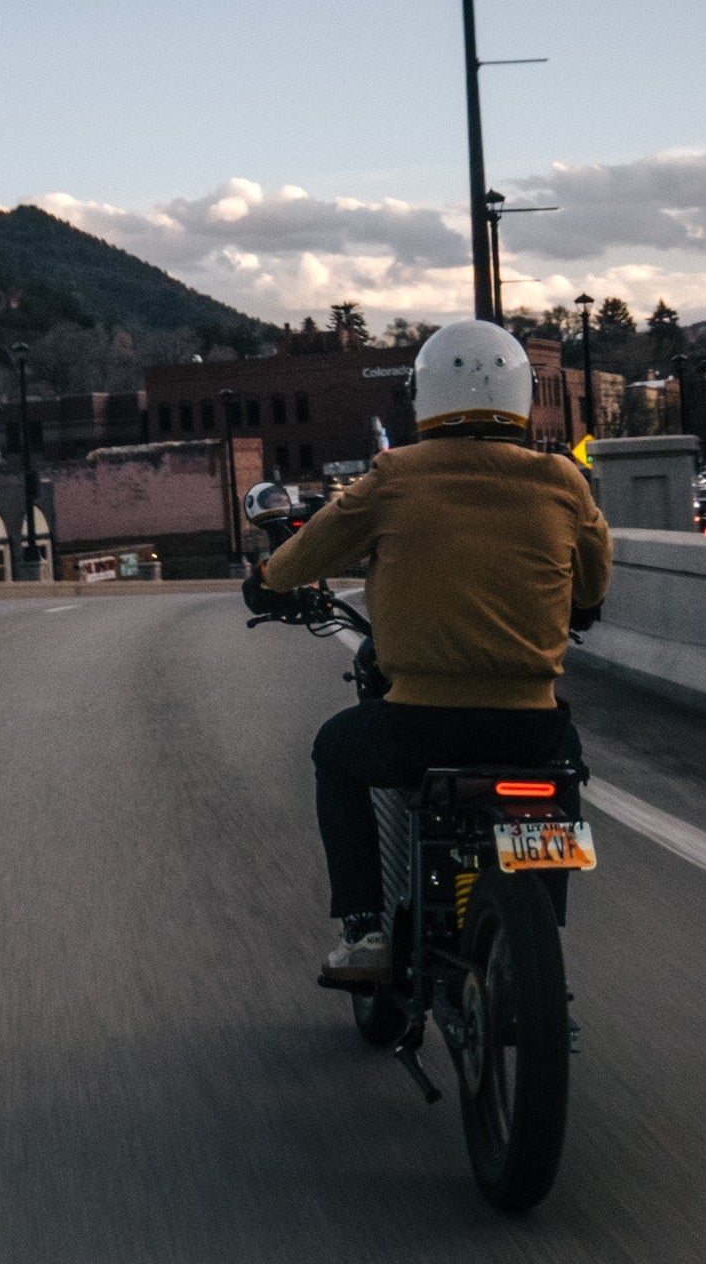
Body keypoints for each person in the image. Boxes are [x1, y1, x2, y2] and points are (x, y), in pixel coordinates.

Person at [244, 320, 611, 983]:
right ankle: (536, 933)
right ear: (521, 394)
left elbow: (304, 556)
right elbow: (593, 583)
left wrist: (266, 582)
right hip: (530, 724)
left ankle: (364, 929)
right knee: (563, 772)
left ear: (426, 397)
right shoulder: (563, 480)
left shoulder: (394, 474)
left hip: (420, 724)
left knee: (336, 750)